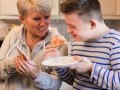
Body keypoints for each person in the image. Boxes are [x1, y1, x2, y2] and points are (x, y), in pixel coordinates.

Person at [45, 0, 120, 89]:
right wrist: (56, 62)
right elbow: (73, 80)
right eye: (67, 25)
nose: (68, 30)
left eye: (73, 26)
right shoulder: (76, 42)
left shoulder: (115, 42)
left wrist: (91, 68)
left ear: (92, 24)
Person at [0, 0, 68, 90]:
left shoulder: (59, 42)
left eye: (47, 17)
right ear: (22, 19)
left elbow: (56, 84)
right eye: (36, 19)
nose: (43, 23)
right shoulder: (13, 34)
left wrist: (37, 74)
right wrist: (13, 63)